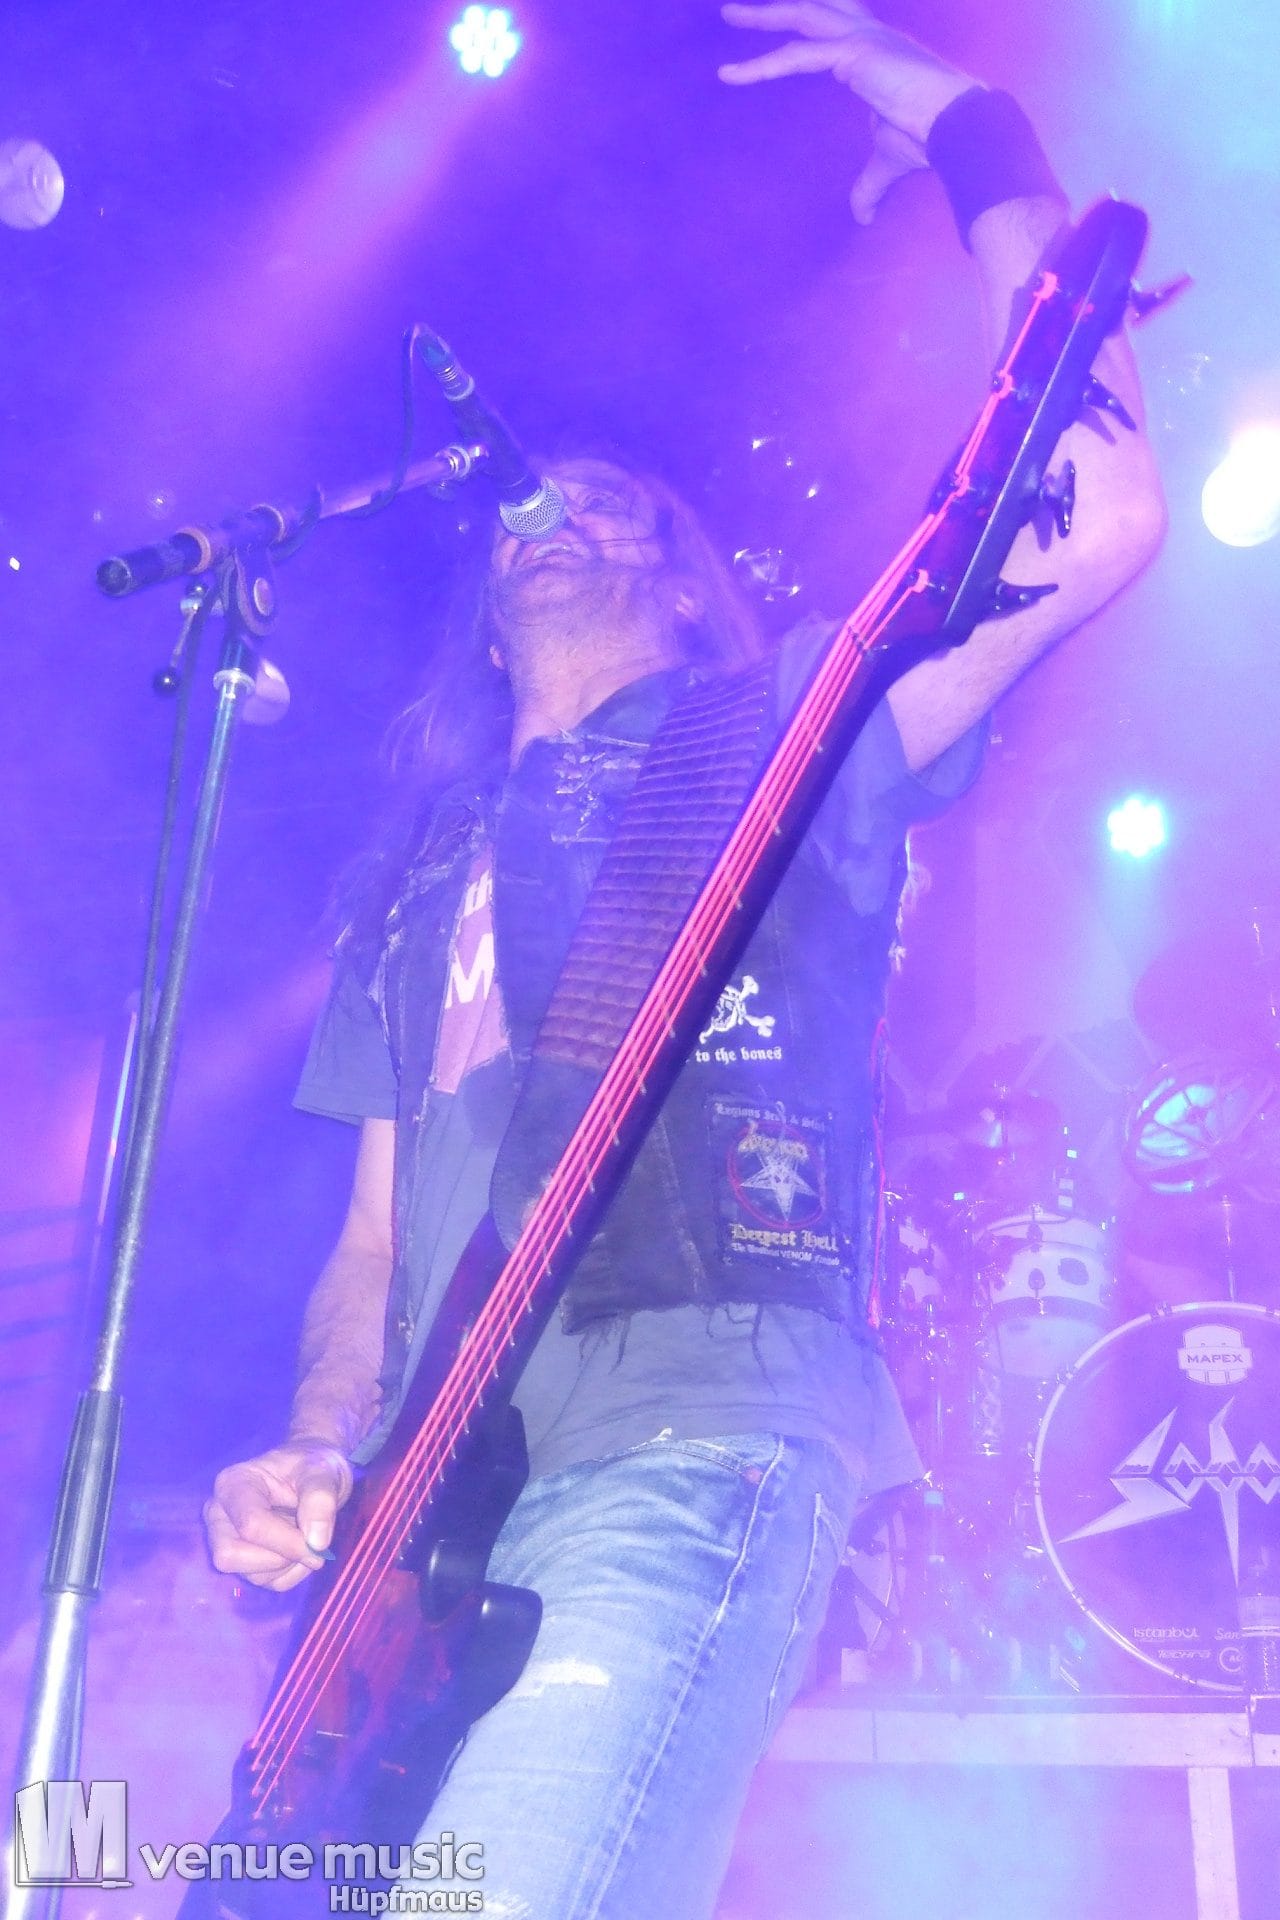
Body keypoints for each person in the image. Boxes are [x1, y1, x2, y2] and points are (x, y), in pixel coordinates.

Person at [202, 5, 1166, 1914]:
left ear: (676, 572)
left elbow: (1107, 507)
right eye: (534, 509)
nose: (558, 513)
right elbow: (376, 1246)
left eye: (616, 505)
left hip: (693, 1438)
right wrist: (319, 1452)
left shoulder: (778, 738)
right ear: (487, 611)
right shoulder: (417, 877)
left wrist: (971, 125)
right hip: (428, 1524)